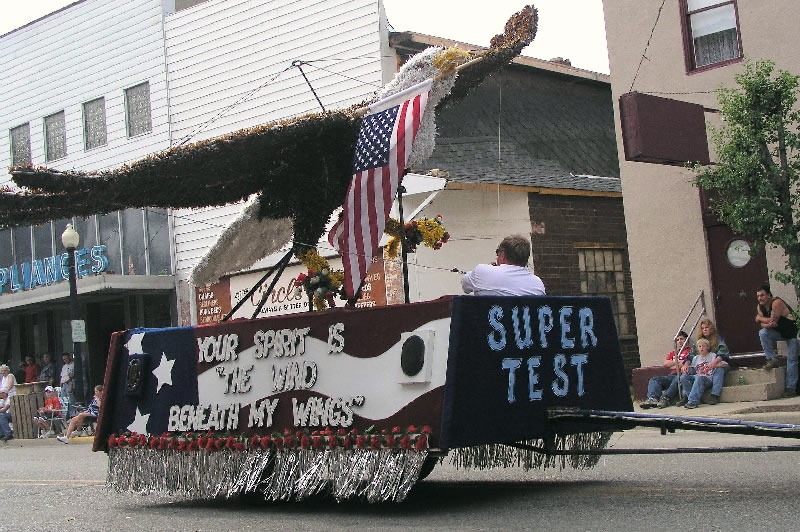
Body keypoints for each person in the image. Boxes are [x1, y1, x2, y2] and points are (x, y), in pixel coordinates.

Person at [462, 235, 546, 296]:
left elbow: (464, 285)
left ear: (502, 255)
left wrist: (490, 269)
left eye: (497, 253)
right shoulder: (537, 284)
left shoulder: (482, 271)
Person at [755, 284, 799, 397]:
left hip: (791, 332)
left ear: (769, 295)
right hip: (779, 332)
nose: (760, 298)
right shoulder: (760, 307)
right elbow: (765, 325)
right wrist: (766, 323)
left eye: (762, 295)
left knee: (792, 359)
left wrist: (760, 318)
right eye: (758, 296)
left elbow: (772, 320)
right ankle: (771, 359)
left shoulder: (777, 302)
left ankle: (791, 388)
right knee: (763, 333)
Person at [639, 331, 692, 409]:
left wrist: (674, 365)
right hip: (671, 376)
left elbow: (684, 364)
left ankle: (665, 398)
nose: (679, 341)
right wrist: (677, 363)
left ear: (686, 340)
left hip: (682, 375)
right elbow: (666, 364)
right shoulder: (673, 353)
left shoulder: (690, 351)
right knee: (654, 379)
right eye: (677, 340)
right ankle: (653, 399)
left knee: (678, 377)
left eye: (681, 339)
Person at [680, 338, 729, 408]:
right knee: (683, 377)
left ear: (708, 347)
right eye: (699, 346)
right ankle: (691, 398)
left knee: (700, 378)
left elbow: (726, 364)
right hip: (697, 377)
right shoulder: (695, 358)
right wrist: (686, 368)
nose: (701, 348)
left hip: (708, 378)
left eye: (704, 346)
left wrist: (715, 365)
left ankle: (693, 402)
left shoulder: (713, 356)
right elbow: (692, 369)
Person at [691, 318, 730, 405]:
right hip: (705, 368)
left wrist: (713, 364)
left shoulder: (718, 339)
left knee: (718, 370)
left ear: (711, 328)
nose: (704, 329)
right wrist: (685, 364)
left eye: (707, 327)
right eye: (702, 328)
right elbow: (691, 356)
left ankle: (715, 395)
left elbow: (723, 353)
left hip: (719, 364)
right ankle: (688, 396)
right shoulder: (699, 342)